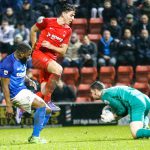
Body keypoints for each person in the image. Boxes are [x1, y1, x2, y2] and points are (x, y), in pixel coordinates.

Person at [0, 42, 52, 144]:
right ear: (20, 53)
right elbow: (4, 86)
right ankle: (35, 138)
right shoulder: (7, 64)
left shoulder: (22, 59)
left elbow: (20, 73)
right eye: (28, 54)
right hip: (15, 94)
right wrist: (8, 105)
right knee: (42, 106)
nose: (29, 57)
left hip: (23, 90)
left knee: (48, 110)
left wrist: (28, 80)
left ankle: (34, 135)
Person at [30, 3, 76, 110]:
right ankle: (48, 101)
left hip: (50, 61)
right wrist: (33, 46)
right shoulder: (47, 21)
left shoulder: (68, 30)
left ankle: (22, 106)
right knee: (59, 69)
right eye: (71, 15)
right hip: (39, 55)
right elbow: (33, 29)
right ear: (64, 13)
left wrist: (51, 46)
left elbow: (63, 51)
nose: (73, 18)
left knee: (44, 91)